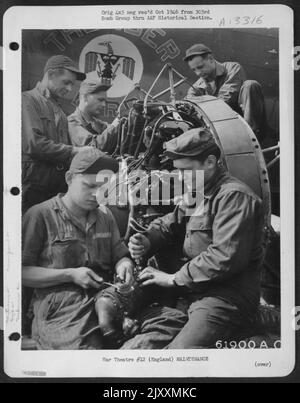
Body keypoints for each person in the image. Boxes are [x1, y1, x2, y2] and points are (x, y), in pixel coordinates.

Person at [128, 127, 264, 349]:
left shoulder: (234, 197)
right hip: (192, 287)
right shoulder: (199, 190)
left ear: (210, 162)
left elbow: (224, 257)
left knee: (179, 355)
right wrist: (147, 240)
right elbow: (169, 224)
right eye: (177, 171)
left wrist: (173, 278)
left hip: (225, 297)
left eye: (187, 171)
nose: (180, 177)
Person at [22, 148, 134, 349]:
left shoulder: (105, 215)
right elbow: (22, 273)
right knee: (85, 351)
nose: (96, 194)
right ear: (69, 178)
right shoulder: (40, 215)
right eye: (89, 186)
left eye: (103, 188)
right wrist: (70, 274)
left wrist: (124, 264)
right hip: (61, 310)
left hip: (105, 297)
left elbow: (120, 255)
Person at [22, 54, 92, 213]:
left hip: (53, 190)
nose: (69, 89)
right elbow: (34, 144)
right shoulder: (27, 100)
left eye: (72, 85)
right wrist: (75, 151)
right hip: (32, 189)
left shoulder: (60, 111)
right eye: (66, 83)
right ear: (51, 74)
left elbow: (65, 148)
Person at [184, 44, 268, 139]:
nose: (198, 73)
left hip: (242, 123)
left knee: (250, 85)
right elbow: (190, 109)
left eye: (200, 67)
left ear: (211, 59)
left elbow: (226, 100)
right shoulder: (195, 88)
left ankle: (250, 135)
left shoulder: (233, 68)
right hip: (220, 131)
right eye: (194, 70)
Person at [68, 79, 119, 154]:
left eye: (105, 101)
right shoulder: (72, 122)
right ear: (85, 97)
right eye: (100, 100)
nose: (104, 105)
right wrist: (115, 126)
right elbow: (93, 147)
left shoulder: (96, 123)